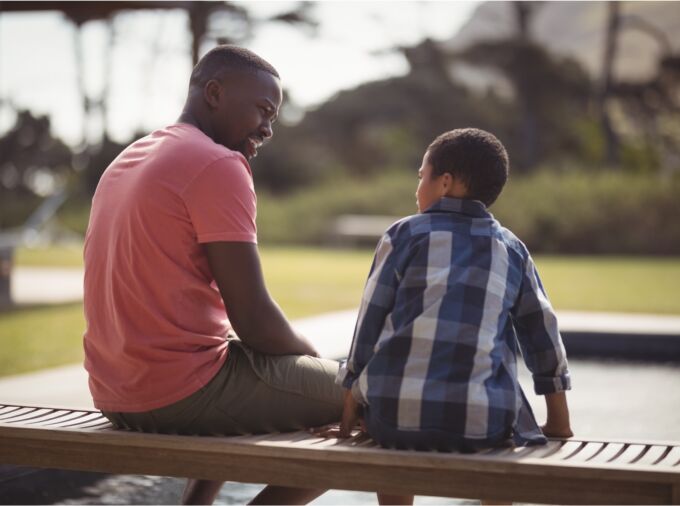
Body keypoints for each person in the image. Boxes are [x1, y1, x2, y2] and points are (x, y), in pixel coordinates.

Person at [83, 45, 344, 505]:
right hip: (176, 393)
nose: (267, 128)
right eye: (263, 110)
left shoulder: (131, 157)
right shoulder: (218, 164)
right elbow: (255, 319)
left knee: (242, 367)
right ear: (215, 93)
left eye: (274, 118)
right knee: (372, 401)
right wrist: (319, 367)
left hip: (114, 389)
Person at [316, 128, 573, 505]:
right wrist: (558, 423)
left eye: (421, 176)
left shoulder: (402, 235)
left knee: (393, 442)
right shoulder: (511, 248)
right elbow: (542, 336)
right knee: (502, 441)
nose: (416, 186)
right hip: (482, 423)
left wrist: (349, 412)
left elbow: (368, 326)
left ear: (445, 183)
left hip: (392, 421)